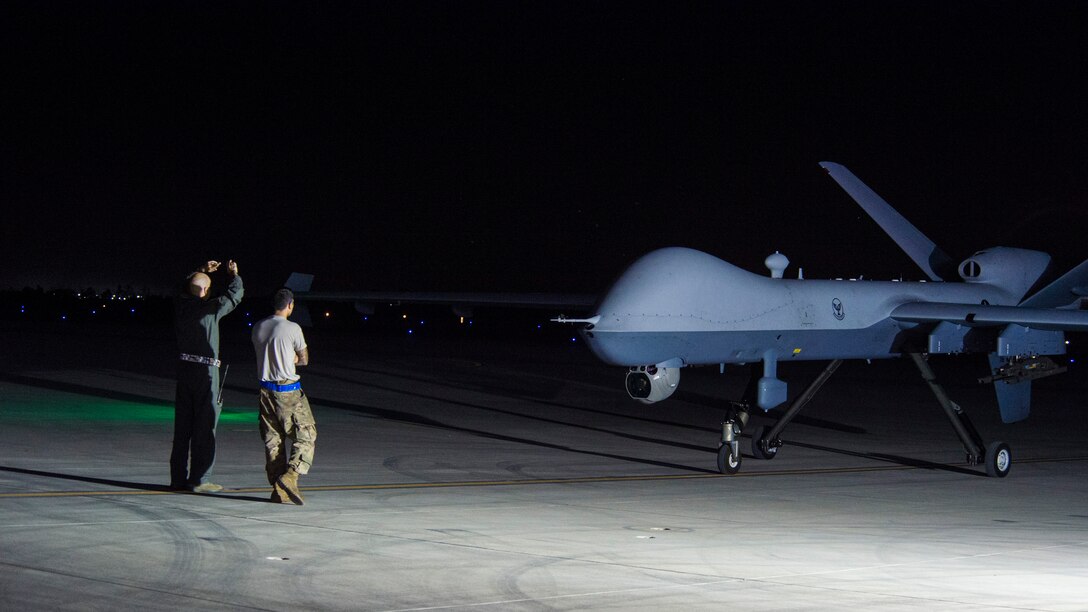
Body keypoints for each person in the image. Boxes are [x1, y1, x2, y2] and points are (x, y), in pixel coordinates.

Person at [171, 259, 243, 493]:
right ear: (206, 291)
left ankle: (178, 478)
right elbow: (235, 295)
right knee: (205, 426)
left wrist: (200, 271)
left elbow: (183, 289)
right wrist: (234, 275)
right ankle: (201, 479)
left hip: (184, 371)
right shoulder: (211, 308)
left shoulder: (181, 308)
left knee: (182, 428)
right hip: (206, 373)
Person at [251, 288, 316, 505]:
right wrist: (291, 360)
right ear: (290, 305)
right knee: (306, 435)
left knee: (273, 441)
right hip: (288, 391)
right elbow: (304, 359)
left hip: (265, 391)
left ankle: (278, 490)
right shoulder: (293, 328)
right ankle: (291, 477)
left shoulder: (258, 326)